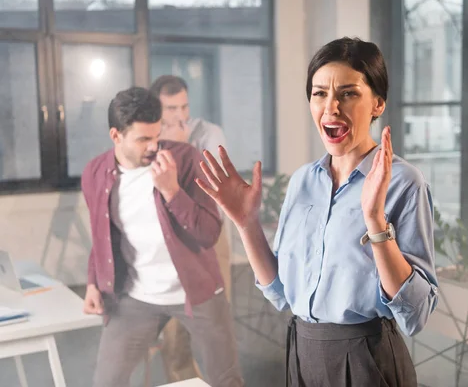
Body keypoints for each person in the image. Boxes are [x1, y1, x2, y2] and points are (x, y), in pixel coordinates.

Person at [196, 37, 439, 386]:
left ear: (378, 103)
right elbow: (280, 291)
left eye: (348, 93)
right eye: (319, 93)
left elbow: (416, 314)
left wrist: (375, 222)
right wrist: (247, 223)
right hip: (301, 350)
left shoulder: (404, 183)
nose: (331, 108)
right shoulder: (303, 182)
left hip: (366, 358)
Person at [81, 86, 243, 387]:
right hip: (136, 297)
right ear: (116, 136)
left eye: (157, 136)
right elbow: (101, 236)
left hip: (198, 291)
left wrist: (171, 191)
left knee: (227, 381)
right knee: (106, 381)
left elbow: (209, 233)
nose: (154, 146)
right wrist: (92, 282)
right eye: (143, 139)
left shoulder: (185, 159)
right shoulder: (95, 172)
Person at [149, 75, 232, 383]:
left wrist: (180, 149)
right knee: (174, 330)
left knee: (215, 321)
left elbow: (212, 186)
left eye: (184, 106)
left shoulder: (209, 133)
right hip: (169, 240)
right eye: (171, 108)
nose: (179, 115)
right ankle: (182, 379)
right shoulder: (148, 135)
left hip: (210, 235)